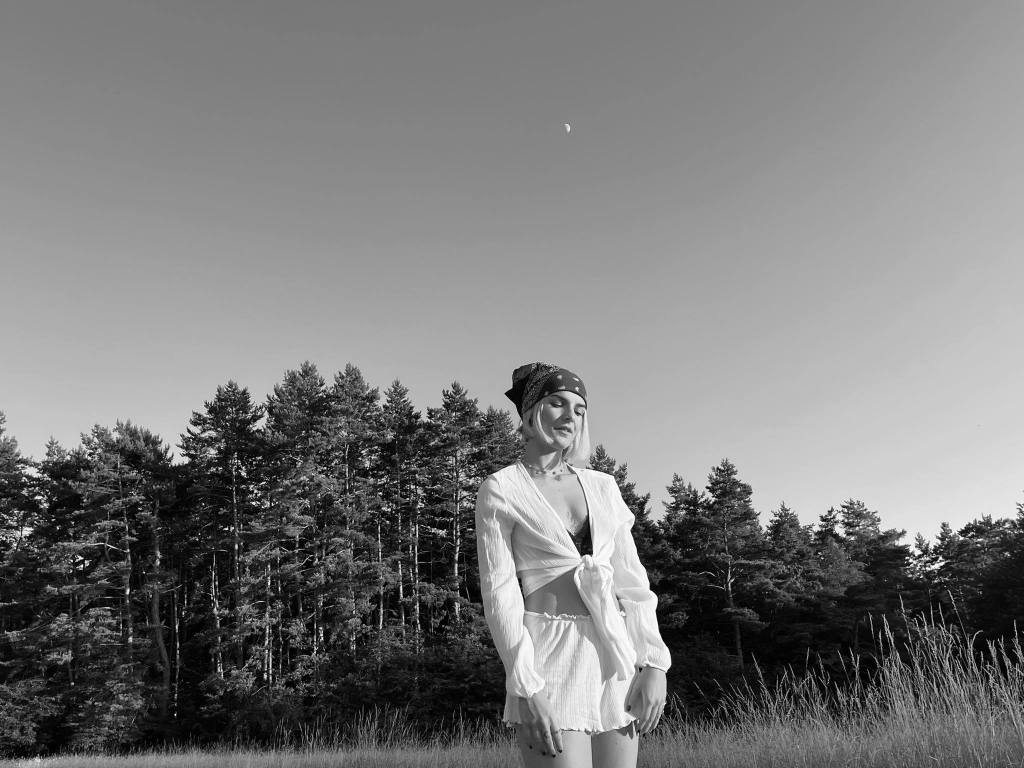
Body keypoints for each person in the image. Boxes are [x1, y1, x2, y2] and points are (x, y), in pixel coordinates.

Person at [475, 362, 671, 768]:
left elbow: (632, 582)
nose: (571, 416)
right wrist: (526, 685)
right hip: (549, 660)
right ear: (530, 413)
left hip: (615, 656)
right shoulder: (502, 488)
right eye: (557, 403)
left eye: (580, 409)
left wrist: (654, 662)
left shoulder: (603, 486)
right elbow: (500, 594)